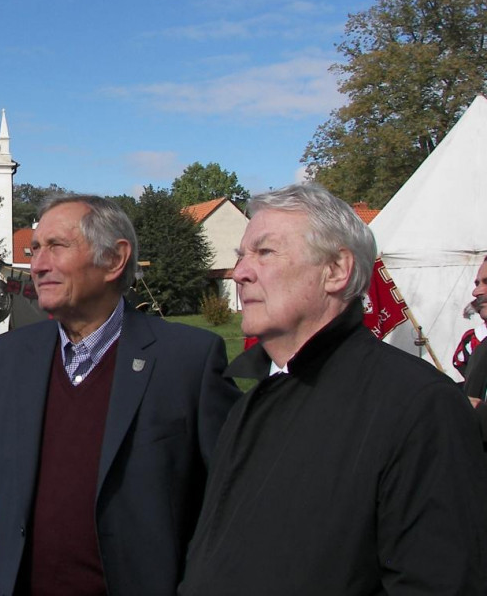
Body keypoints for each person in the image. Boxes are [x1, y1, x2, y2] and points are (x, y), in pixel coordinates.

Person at [179, 184, 487, 595]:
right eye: (240, 257)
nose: (240, 273)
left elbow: (439, 580)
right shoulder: (248, 404)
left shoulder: (419, 406)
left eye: (265, 253)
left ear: (337, 271)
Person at [0, 195, 241, 595]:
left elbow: (230, 509)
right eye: (35, 250)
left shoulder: (188, 361)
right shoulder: (4, 361)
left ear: (115, 260)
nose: (38, 265)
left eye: (57, 247)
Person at [460, 256, 487, 448]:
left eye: (486, 282)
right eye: (477, 283)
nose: (476, 291)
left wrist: (478, 411)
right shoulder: (481, 350)